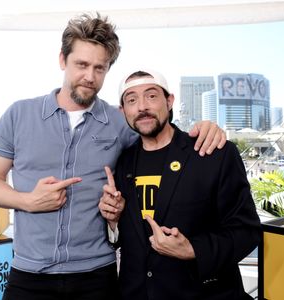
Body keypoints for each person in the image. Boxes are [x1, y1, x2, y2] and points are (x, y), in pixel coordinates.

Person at [0, 13, 226, 300]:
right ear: (62, 59)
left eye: (100, 68)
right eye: (81, 64)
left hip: (97, 276)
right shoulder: (19, 114)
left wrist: (206, 128)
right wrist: (28, 201)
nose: (90, 77)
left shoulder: (120, 121)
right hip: (29, 275)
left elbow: (163, 139)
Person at [99, 69, 261, 300]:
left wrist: (193, 250)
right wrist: (113, 222)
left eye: (152, 96)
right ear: (123, 111)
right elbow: (130, 239)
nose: (142, 106)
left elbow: (247, 231)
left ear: (169, 100)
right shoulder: (122, 162)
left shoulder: (212, 153)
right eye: (132, 99)